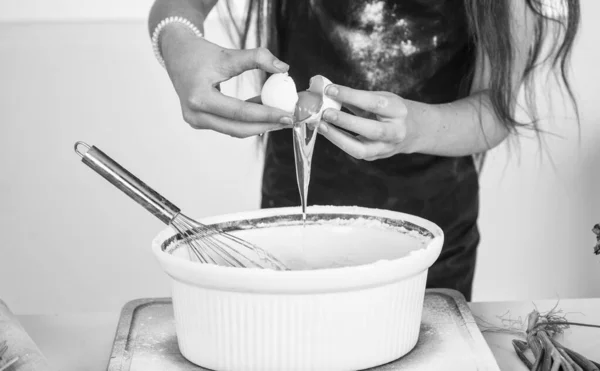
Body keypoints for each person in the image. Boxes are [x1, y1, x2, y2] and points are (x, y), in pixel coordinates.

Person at [147, 0, 580, 301]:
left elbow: (496, 111)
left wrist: (414, 129)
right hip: (289, 230)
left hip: (429, 248)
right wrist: (178, 42)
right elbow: (177, 7)